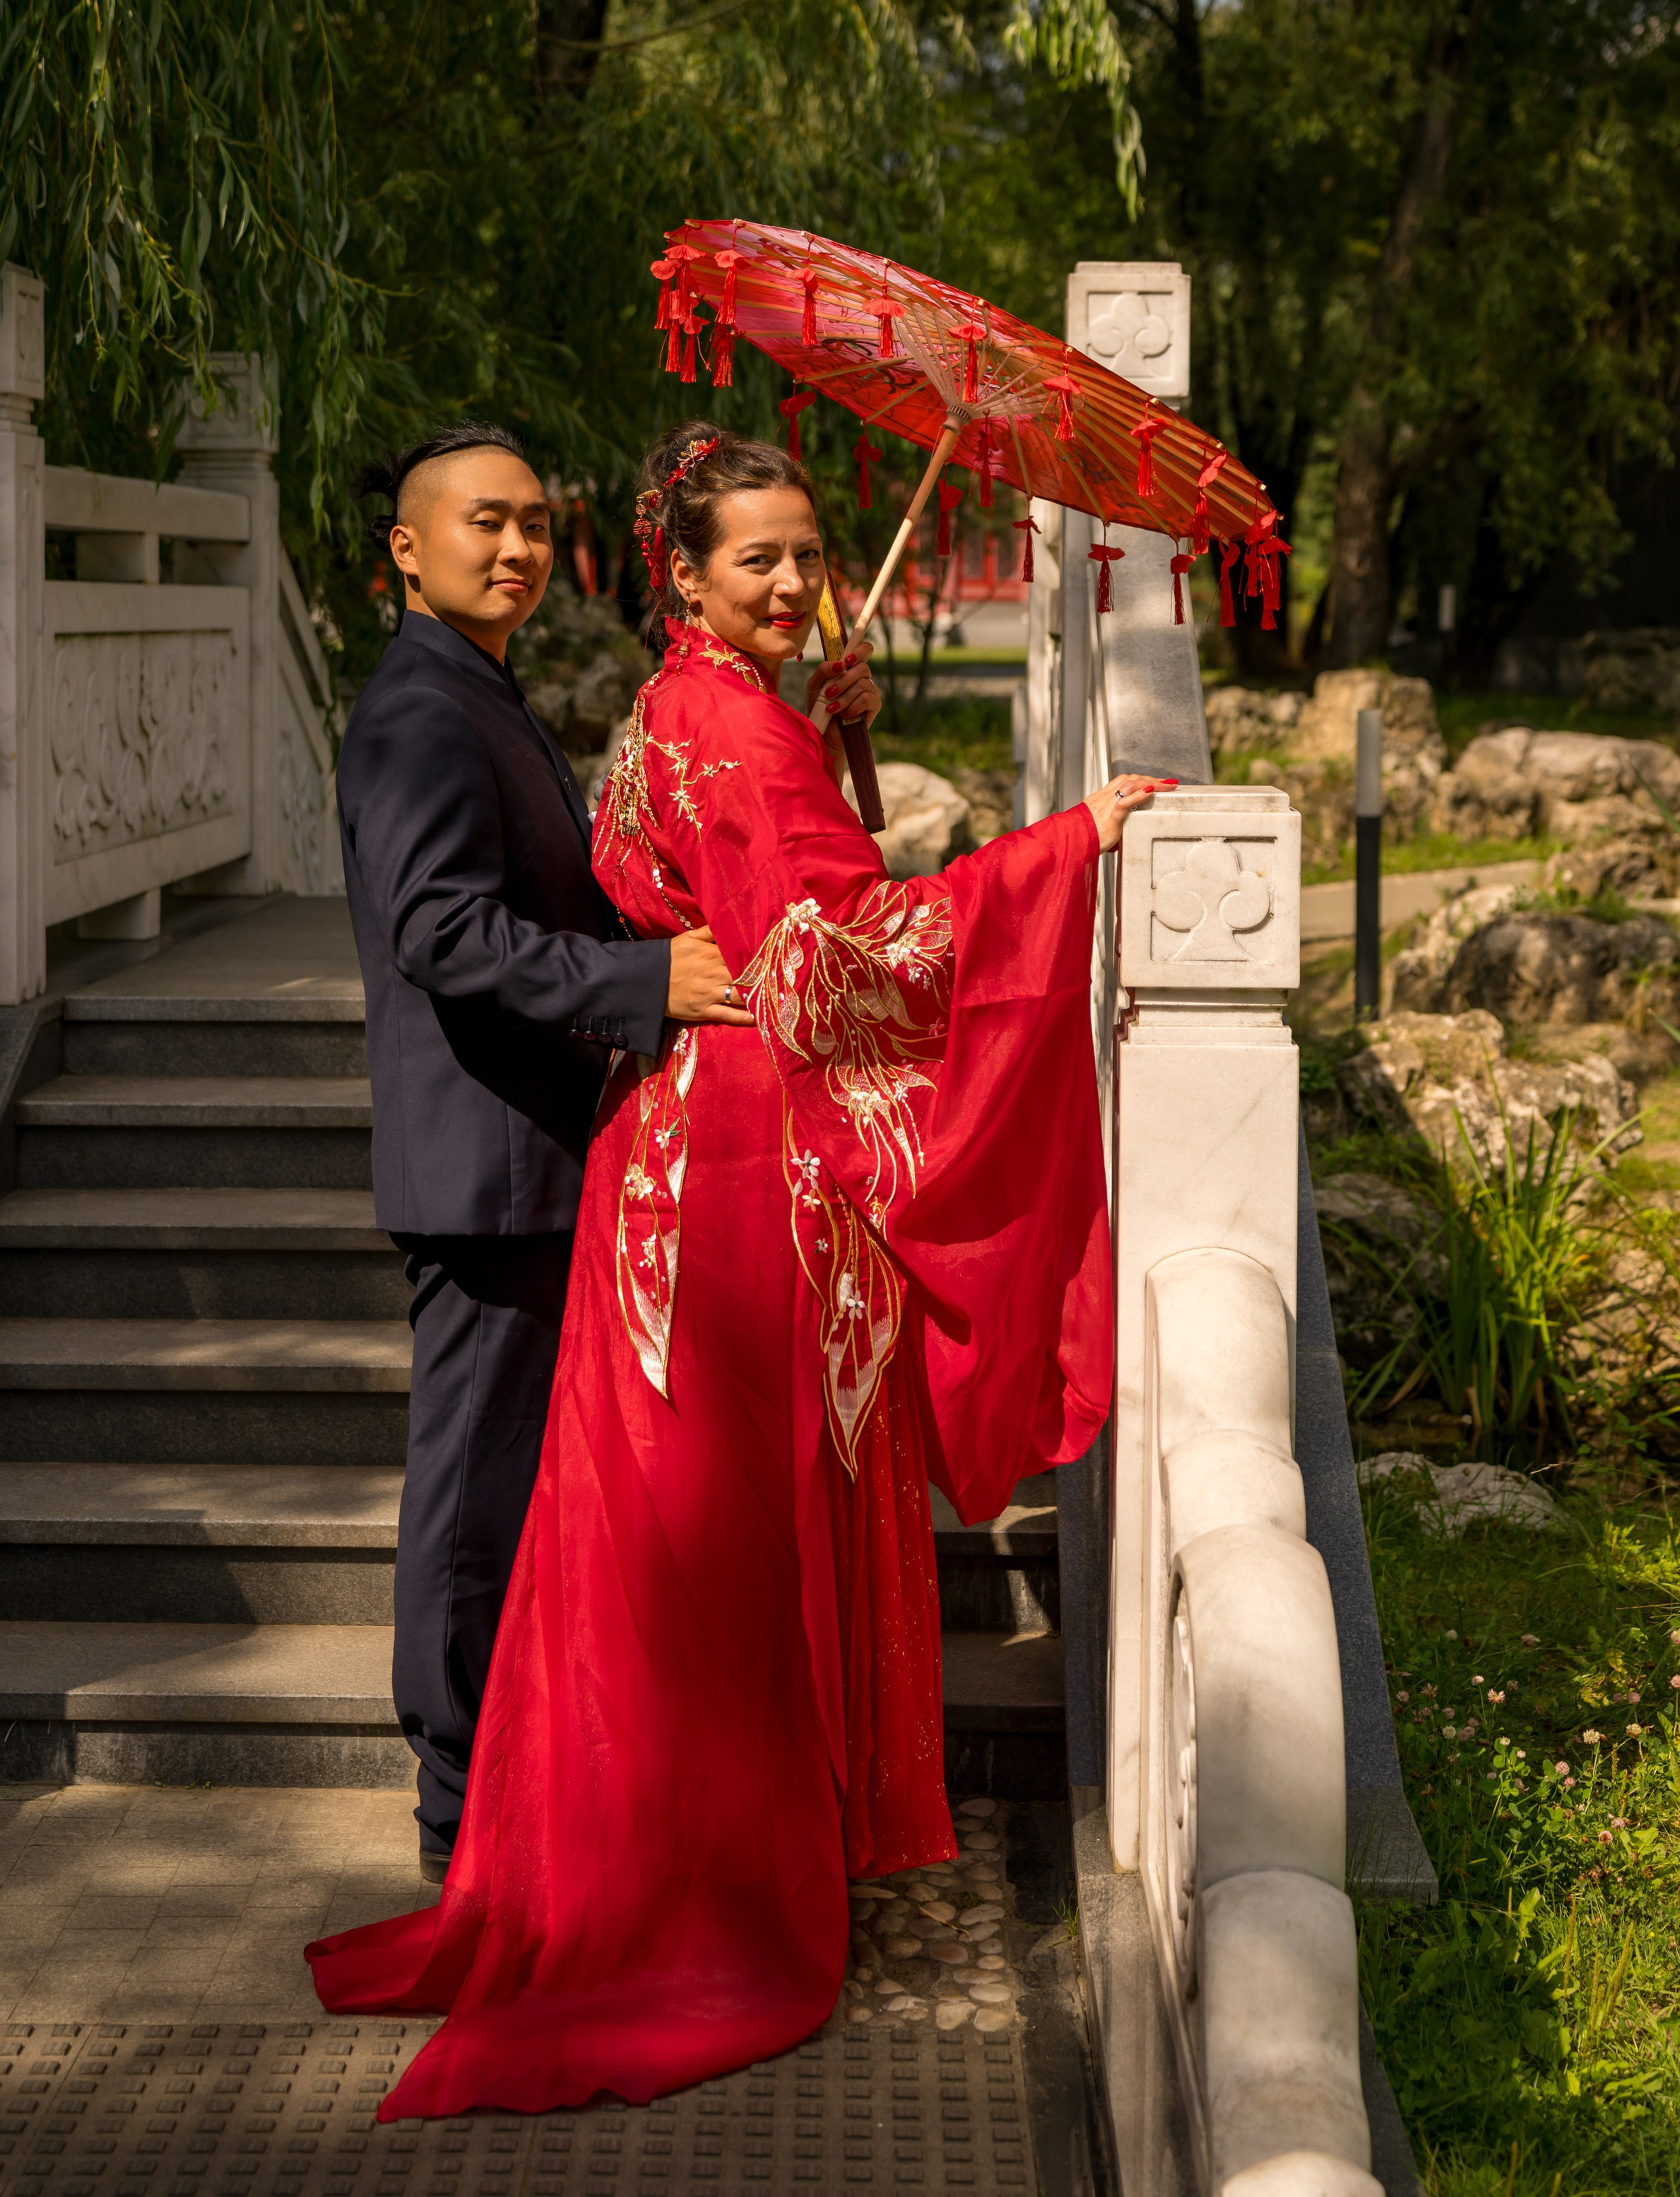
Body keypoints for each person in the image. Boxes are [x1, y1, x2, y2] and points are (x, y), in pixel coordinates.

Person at [311, 420, 1157, 2110]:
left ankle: (570, 1839)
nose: (788, 578)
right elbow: (834, 955)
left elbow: (682, 885)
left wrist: (824, 741)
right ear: (682, 574)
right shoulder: (478, 708)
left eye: (802, 551)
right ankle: (605, 1852)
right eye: (749, 556)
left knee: (634, 1529)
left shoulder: (677, 711)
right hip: (738, 1170)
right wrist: (1064, 848)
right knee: (651, 1524)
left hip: (663, 1156)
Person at [336, 423, 749, 1885]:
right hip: (484, 1165)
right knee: (470, 1502)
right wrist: (641, 991)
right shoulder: (416, 712)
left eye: (531, 526)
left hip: (535, 1155)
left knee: (510, 1494)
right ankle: (454, 1828)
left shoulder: (477, 691)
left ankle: (506, 1797)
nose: (513, 549)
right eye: (480, 524)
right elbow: (439, 931)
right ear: (406, 546)